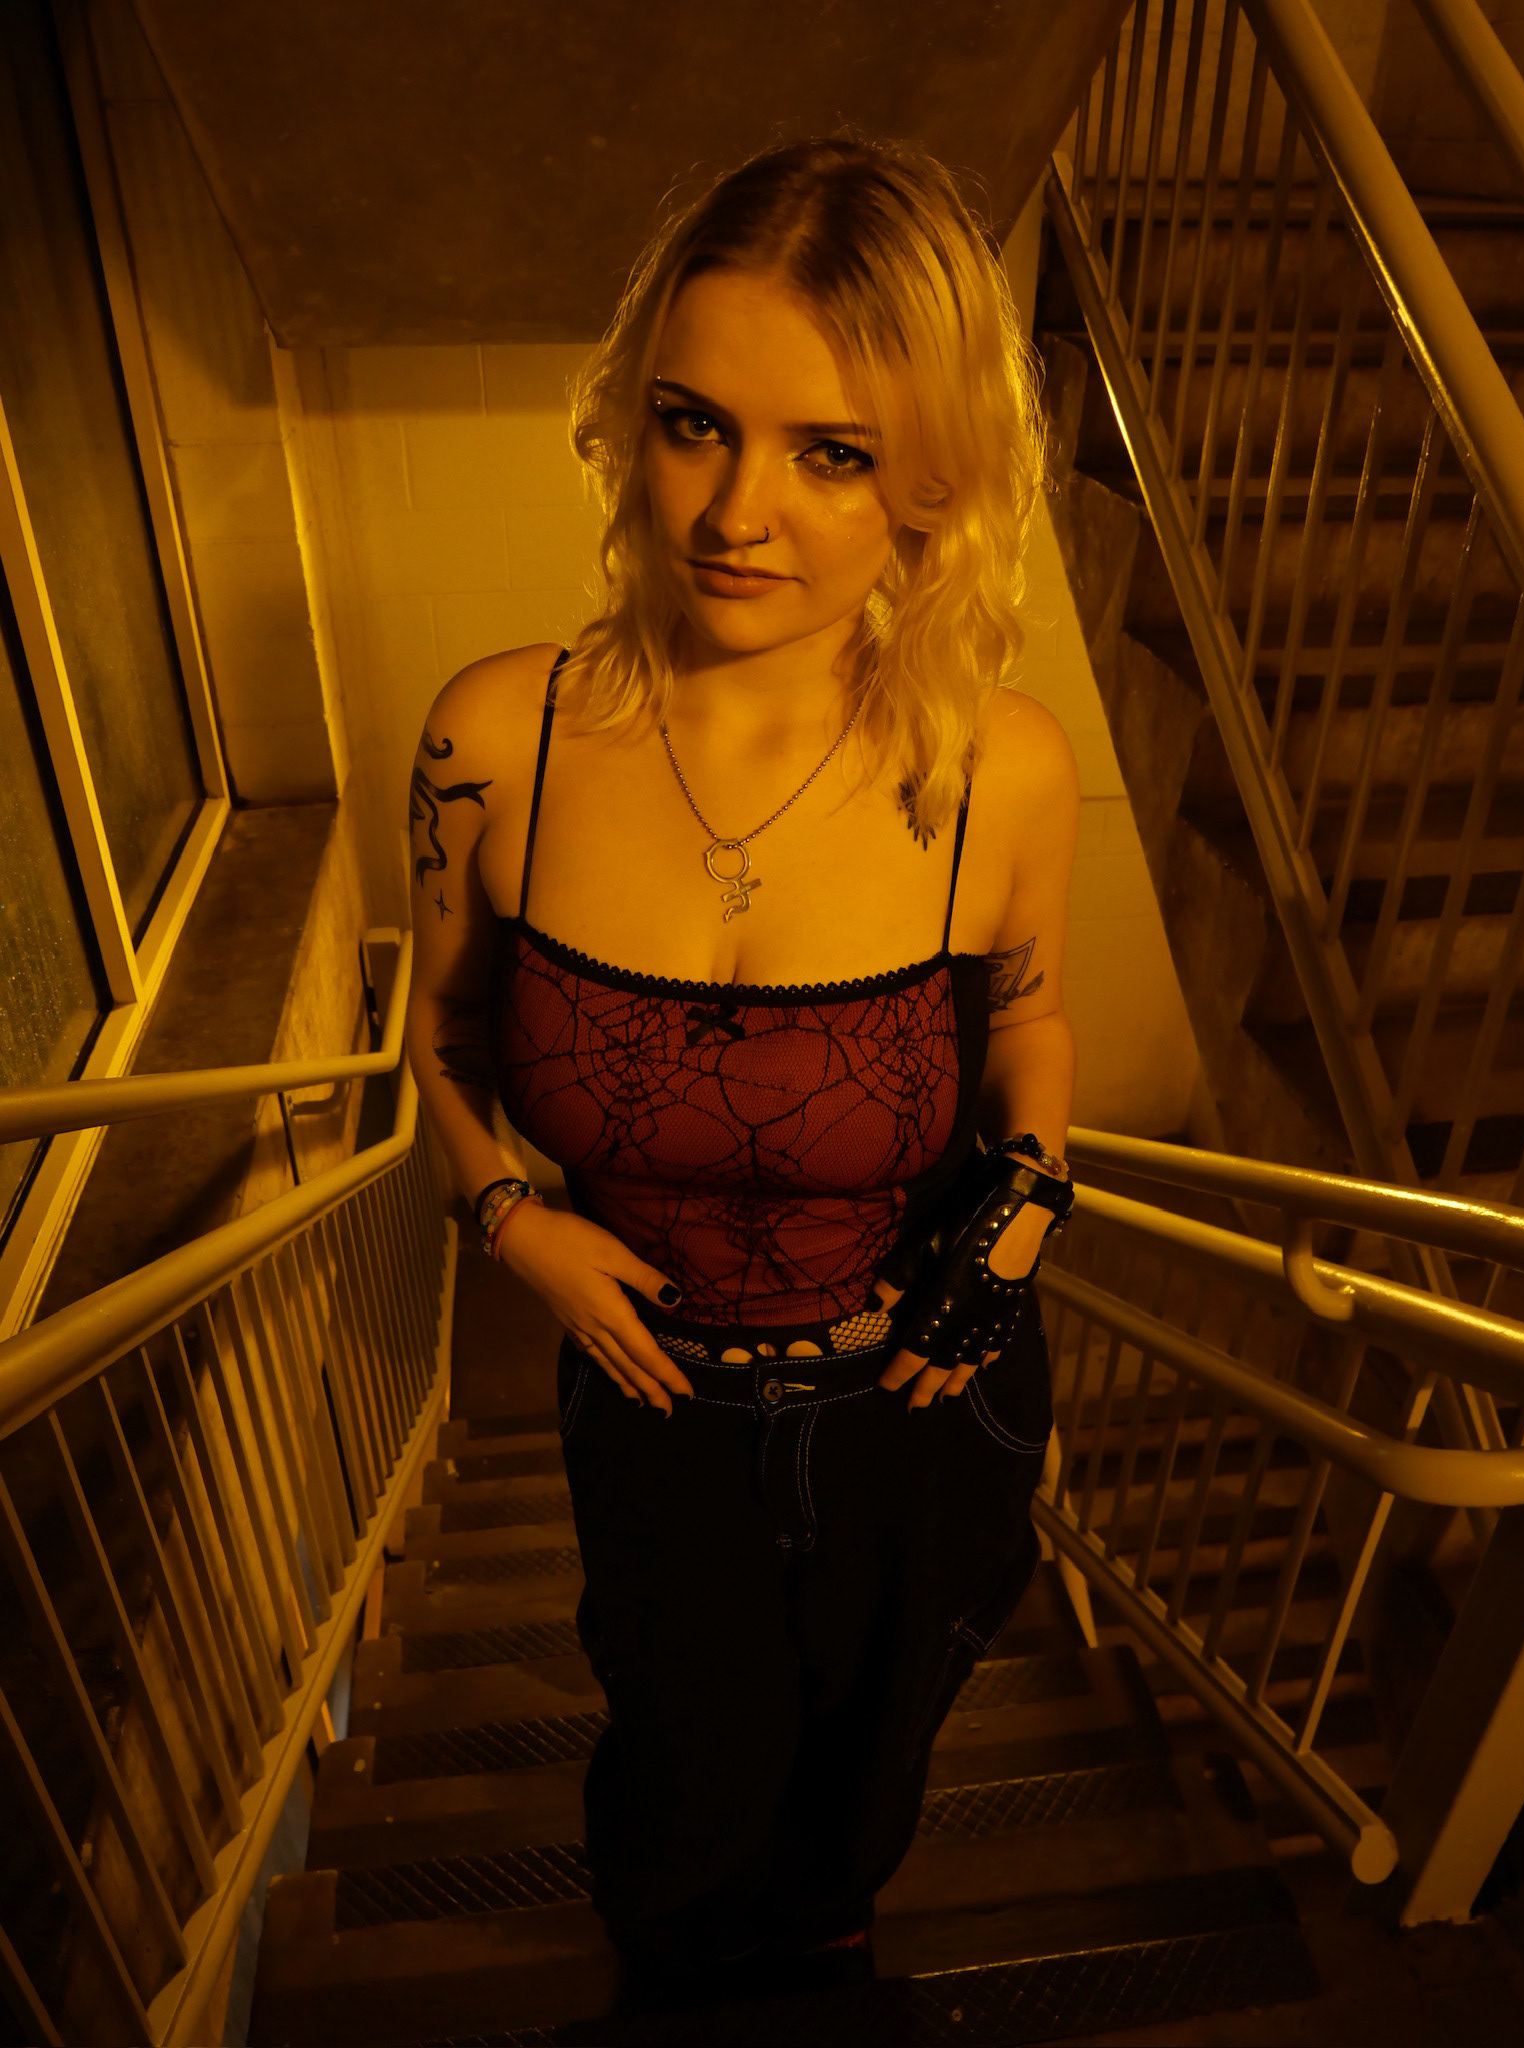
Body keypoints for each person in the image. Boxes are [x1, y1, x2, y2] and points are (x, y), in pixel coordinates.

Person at [404, 135, 1079, 2009]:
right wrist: (511, 1219)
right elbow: (439, 1038)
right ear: (631, 419)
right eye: (694, 424)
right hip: (654, 1400)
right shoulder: (498, 739)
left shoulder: (997, 768)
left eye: (831, 453)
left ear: (931, 482)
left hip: (919, 1396)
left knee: (872, 1757)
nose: (734, 513)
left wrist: (1029, 1198)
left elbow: (1028, 1015)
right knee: (681, 1761)